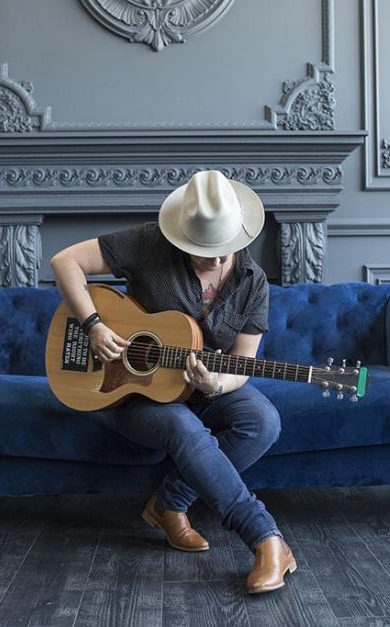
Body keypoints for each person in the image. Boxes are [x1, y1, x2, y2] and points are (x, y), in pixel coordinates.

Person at [49, 169, 296, 594]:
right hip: (130, 394)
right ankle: (265, 538)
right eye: (205, 250)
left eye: (225, 249)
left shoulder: (252, 282)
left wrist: (216, 385)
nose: (218, 261)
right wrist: (92, 325)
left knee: (263, 421)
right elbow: (64, 260)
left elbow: (243, 361)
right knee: (184, 426)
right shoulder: (148, 244)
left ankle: (169, 503)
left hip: (202, 390)